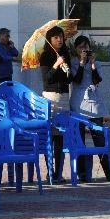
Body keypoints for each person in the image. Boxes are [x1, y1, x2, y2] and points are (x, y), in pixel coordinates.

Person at [69, 36, 110, 183]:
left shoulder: (96, 63)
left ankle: (109, 172)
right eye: (80, 47)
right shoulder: (73, 63)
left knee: (100, 140)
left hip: (94, 104)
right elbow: (77, 80)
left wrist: (92, 64)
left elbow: (97, 80)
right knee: (79, 141)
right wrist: (81, 63)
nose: (84, 50)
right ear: (76, 49)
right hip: (79, 104)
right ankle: (82, 173)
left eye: (86, 47)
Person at [39, 25, 73, 183]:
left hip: (64, 98)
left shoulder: (65, 54)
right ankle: (49, 172)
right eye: (56, 37)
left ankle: (58, 172)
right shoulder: (45, 56)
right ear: (50, 40)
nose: (59, 40)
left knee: (60, 137)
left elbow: (69, 80)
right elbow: (47, 79)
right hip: (51, 98)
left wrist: (67, 70)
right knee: (50, 136)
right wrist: (56, 64)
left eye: (61, 36)